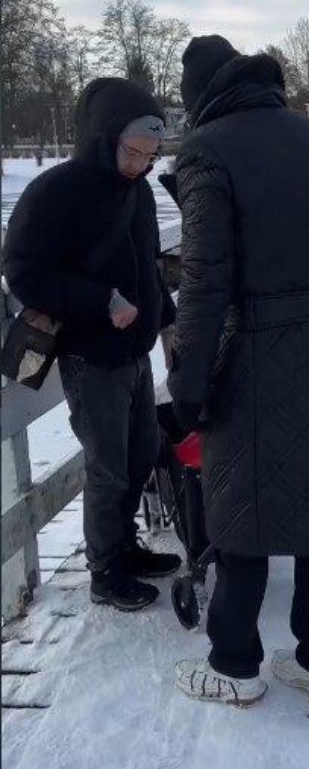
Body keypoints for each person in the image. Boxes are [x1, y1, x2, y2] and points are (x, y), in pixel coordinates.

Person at [168, 35, 309, 708]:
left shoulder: (207, 151)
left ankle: (235, 665)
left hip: (252, 346)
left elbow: (204, 283)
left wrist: (188, 383)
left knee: (241, 502)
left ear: (198, 96)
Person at [3, 78, 181, 611]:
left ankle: (125, 545)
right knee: (108, 464)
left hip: (135, 352)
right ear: (106, 139)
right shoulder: (57, 191)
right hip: (89, 354)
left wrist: (166, 321)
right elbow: (22, 273)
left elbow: (148, 267)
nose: (142, 164)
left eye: (151, 156)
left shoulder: (141, 193)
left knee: (143, 450)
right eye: (133, 152)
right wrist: (99, 300)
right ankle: (106, 569)